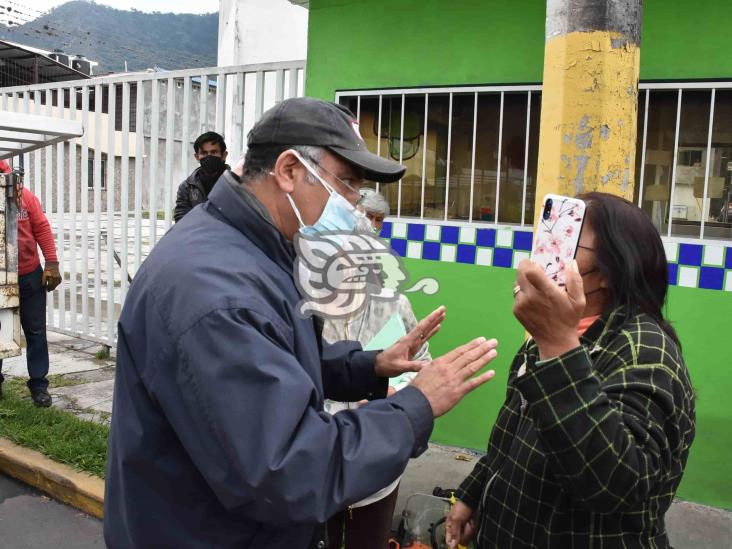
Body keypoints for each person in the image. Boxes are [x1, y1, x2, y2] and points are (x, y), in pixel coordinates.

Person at [105, 97, 500, 549]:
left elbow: (276, 359)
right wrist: (418, 406)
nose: (355, 205)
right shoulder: (218, 292)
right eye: (347, 184)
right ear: (290, 170)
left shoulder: (251, 249)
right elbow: (290, 470)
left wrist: (368, 367)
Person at [446, 192, 696, 549]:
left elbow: (616, 484)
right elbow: (512, 436)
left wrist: (558, 347)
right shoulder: (553, 335)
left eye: (570, 242)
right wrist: (473, 495)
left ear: (610, 271)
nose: (546, 254)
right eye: (549, 238)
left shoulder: (646, 351)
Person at [322, 188, 431, 549]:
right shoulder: (302, 310)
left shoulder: (393, 304)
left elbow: (419, 364)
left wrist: (397, 396)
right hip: (315, 464)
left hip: (378, 467)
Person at [0, 161, 62, 407]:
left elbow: (42, 228)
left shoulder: (25, 197)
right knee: (1, 331)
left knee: (35, 331)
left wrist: (52, 263)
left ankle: (39, 385)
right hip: (1, 277)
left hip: (28, 275)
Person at [174, 131, 229, 222]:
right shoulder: (187, 187)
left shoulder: (236, 184)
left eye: (214, 152)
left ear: (224, 155)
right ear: (197, 157)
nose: (209, 156)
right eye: (204, 153)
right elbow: (181, 220)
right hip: (196, 235)